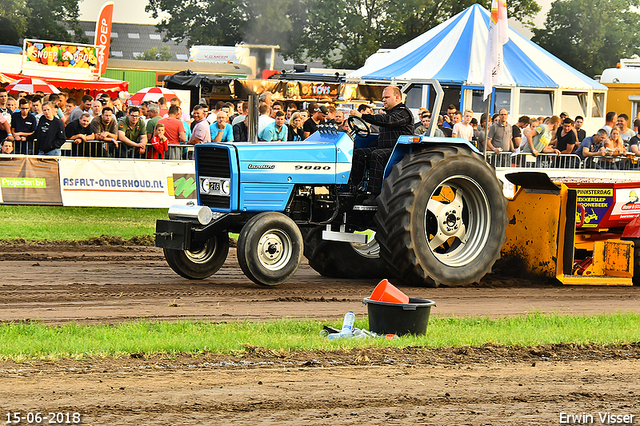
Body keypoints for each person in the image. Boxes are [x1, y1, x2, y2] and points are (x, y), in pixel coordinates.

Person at [349, 85, 414, 205]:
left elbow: (387, 121)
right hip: (385, 147)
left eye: (387, 97)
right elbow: (382, 138)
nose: (383, 100)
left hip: (398, 151)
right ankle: (354, 188)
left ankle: (374, 195)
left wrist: (362, 116)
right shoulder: (389, 114)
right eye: (383, 97)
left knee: (377, 154)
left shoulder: (403, 113)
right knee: (358, 153)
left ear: (397, 97)